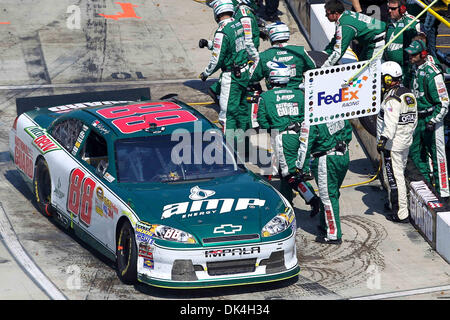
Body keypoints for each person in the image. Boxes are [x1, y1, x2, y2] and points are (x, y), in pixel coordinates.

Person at [257, 61, 320, 214]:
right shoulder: (299, 94)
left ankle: (312, 198)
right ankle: (286, 203)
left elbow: (262, 121)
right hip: (301, 135)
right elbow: (307, 115)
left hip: (282, 138)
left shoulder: (265, 97)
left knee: (289, 174)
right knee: (288, 170)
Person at [199, 0, 251, 144]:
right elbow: (230, 46)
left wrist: (205, 73)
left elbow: (217, 58)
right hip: (244, 72)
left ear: (217, 13)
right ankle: (244, 146)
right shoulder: (238, 25)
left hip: (232, 76)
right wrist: (209, 44)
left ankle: (230, 152)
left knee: (227, 115)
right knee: (241, 111)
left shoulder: (222, 31)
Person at [295, 117, 353, 244]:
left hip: (326, 159)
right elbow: (349, 132)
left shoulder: (311, 119)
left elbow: (305, 145)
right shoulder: (337, 110)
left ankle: (333, 235)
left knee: (328, 196)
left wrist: (300, 167)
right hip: (343, 156)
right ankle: (324, 224)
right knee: (331, 191)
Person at [406, 39, 449, 199]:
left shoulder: (432, 73)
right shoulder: (413, 68)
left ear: (423, 54)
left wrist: (433, 120)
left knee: (438, 157)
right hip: (417, 118)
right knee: (416, 154)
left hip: (432, 119)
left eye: (413, 55)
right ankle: (426, 189)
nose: (410, 57)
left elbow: (444, 102)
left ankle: (444, 194)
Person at [376, 61, 418, 223]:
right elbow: (413, 120)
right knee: (397, 174)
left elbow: (391, 124)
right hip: (405, 141)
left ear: (388, 79)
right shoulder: (408, 94)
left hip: (392, 145)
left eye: (382, 77)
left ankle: (401, 212)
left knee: (395, 177)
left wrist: (383, 140)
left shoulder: (392, 99)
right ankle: (393, 203)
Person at [250, 21, 317, 90]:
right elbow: (313, 68)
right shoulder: (300, 51)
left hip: (273, 96)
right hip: (298, 94)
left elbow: (253, 77)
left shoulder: (264, 55)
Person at [322, 0, 386, 67]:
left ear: (336, 14)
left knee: (370, 70)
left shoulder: (345, 25)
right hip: (371, 40)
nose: (326, 16)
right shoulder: (346, 14)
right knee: (361, 64)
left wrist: (323, 67)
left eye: (327, 14)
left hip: (377, 41)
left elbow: (339, 52)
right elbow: (335, 40)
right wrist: (325, 52)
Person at [384, 0, 421, 87]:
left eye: (393, 9)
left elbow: (422, 45)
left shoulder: (412, 23)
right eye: (388, 8)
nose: (389, 11)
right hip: (390, 68)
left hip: (406, 70)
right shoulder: (388, 21)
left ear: (402, 9)